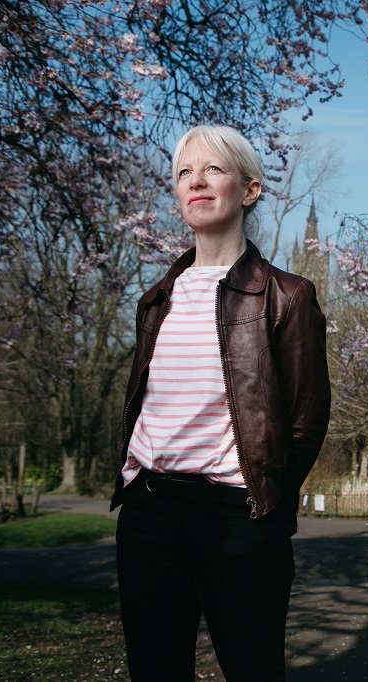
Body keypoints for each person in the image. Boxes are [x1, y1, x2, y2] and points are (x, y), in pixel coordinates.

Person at [110, 125, 330, 682]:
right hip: (148, 514)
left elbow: (306, 419)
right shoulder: (156, 298)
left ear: (249, 190)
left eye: (213, 169)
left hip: (239, 517)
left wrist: (267, 494)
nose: (196, 182)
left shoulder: (288, 296)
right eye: (185, 172)